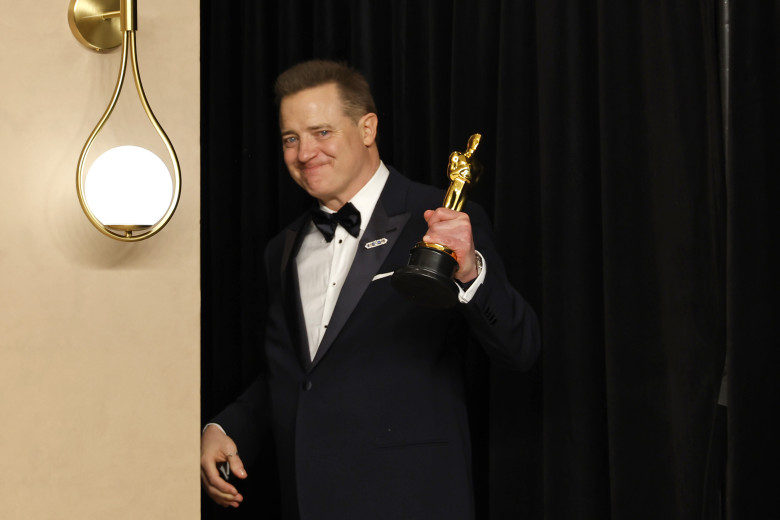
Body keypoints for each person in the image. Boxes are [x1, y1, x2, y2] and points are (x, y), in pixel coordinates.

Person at [201, 59, 540, 520]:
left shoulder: (440, 217)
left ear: (367, 128)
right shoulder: (281, 249)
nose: (304, 153)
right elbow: (298, 374)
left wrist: (468, 275)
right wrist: (226, 425)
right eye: (290, 138)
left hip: (412, 499)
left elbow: (520, 349)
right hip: (309, 501)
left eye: (322, 132)